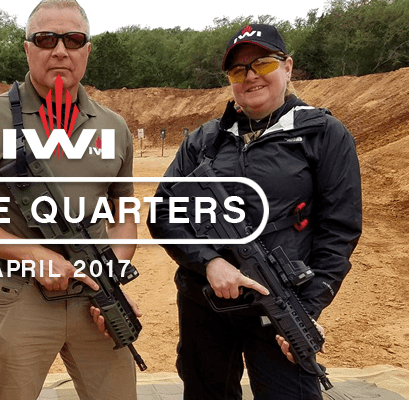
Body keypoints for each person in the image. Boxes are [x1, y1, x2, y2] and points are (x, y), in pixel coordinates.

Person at [147, 24, 362, 400]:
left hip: (278, 306)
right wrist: (210, 263)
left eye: (262, 64)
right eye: (238, 70)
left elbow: (339, 230)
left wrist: (306, 310)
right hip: (204, 302)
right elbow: (164, 212)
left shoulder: (324, 134)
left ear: (287, 67)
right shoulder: (203, 141)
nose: (250, 77)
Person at [0, 1, 140, 399]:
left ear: (87, 50)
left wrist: (112, 273)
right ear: (27, 48)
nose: (61, 50)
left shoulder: (114, 126)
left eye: (74, 39)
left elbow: (124, 214)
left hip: (94, 301)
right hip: (22, 295)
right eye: (46, 39)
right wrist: (32, 255)